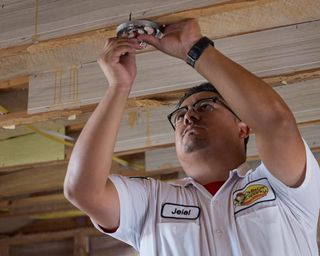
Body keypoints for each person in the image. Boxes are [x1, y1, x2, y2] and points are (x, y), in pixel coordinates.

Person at [64, 19, 320, 255]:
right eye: (180, 114)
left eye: (205, 106)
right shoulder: (152, 202)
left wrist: (194, 49)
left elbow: (278, 124)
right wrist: (118, 86)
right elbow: (83, 190)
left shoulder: (280, 188)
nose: (188, 117)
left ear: (243, 127)